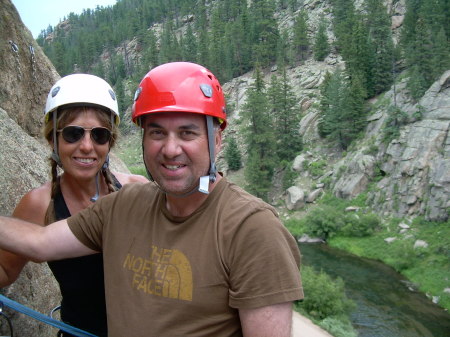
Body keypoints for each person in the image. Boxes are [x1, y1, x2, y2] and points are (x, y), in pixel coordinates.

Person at [0, 62, 303, 337]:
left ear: (217, 139)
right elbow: (39, 241)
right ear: (143, 139)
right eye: (157, 132)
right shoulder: (123, 205)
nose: (171, 149)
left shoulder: (253, 229)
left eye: (187, 133)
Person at [0, 73, 148, 336]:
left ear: (109, 142)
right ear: (52, 139)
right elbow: (5, 271)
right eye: (73, 134)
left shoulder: (137, 189)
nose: (87, 146)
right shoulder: (40, 204)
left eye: (100, 135)